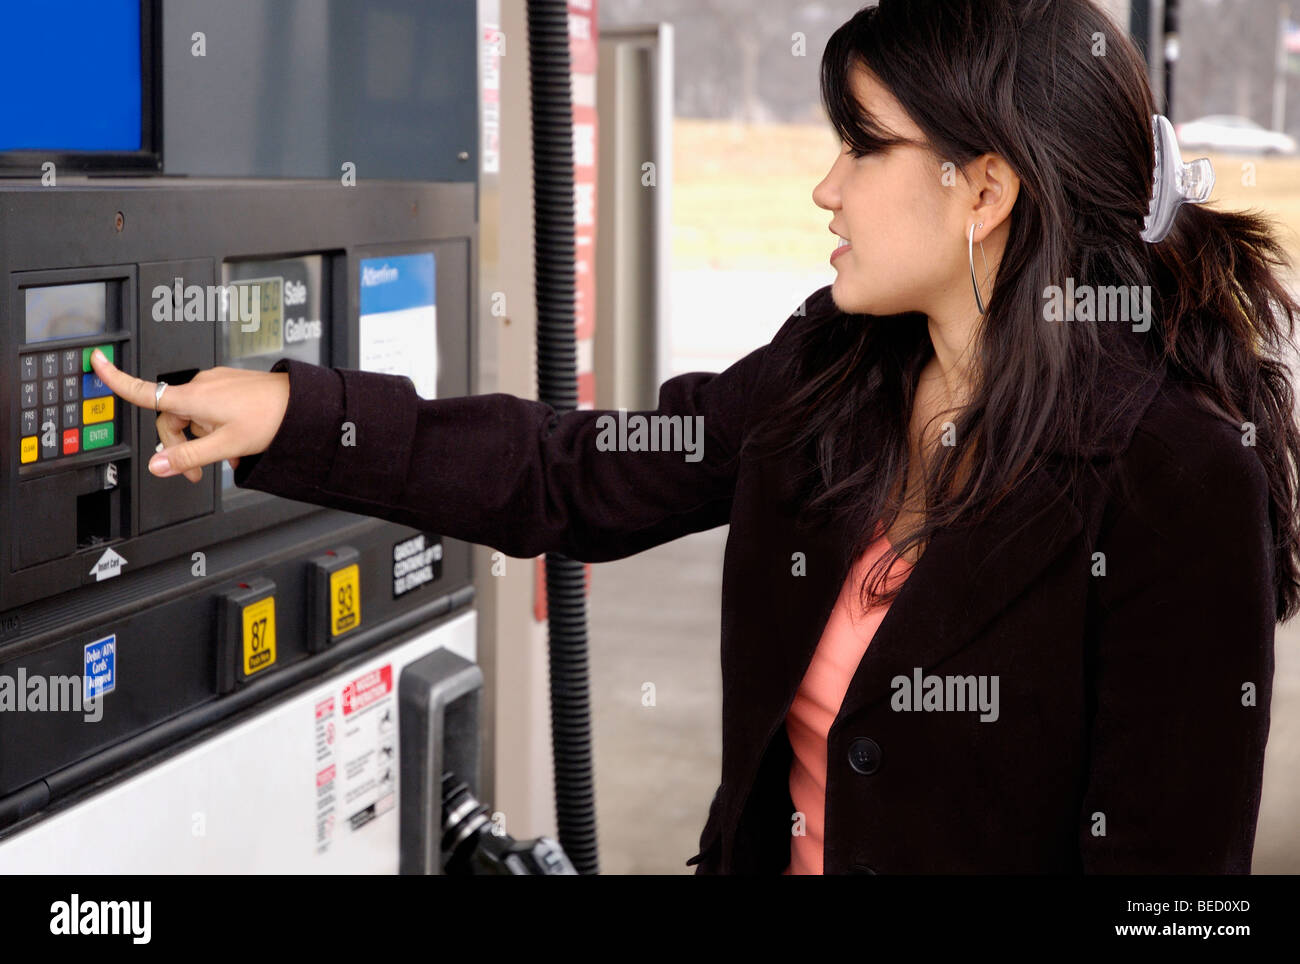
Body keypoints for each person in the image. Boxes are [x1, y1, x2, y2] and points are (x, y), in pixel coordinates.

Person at [92, 0, 1300, 874]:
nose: (825, 188)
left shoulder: (1175, 473)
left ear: (982, 191)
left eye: (862, 147)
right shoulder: (835, 368)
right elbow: (573, 473)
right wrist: (299, 416)